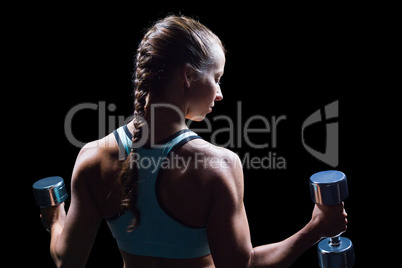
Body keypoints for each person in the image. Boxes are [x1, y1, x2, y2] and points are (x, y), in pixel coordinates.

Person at [40, 15, 347, 268]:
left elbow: (67, 261)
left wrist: (55, 219)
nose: (220, 92)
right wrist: (316, 229)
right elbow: (243, 267)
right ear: (188, 75)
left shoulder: (92, 158)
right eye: (216, 77)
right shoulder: (218, 166)